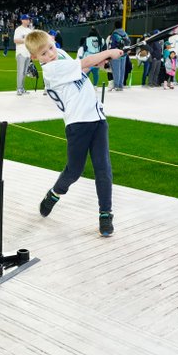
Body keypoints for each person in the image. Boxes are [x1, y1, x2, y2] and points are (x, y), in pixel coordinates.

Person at [25, 29, 122, 237]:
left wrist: (98, 64)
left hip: (98, 118)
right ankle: (54, 193)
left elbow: (81, 70)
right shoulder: (51, 69)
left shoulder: (59, 54)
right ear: (34, 57)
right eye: (43, 53)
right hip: (78, 124)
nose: (51, 54)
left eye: (51, 47)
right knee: (74, 171)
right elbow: (83, 63)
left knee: (103, 168)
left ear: (53, 42)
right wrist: (108, 53)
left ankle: (105, 214)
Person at [13, 13, 34, 94]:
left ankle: (22, 88)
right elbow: (15, 40)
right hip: (21, 53)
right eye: (26, 19)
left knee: (25, 72)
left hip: (28, 53)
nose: (28, 21)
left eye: (28, 19)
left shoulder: (29, 30)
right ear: (22, 20)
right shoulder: (18, 29)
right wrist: (26, 40)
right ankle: (18, 88)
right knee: (20, 71)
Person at [108, 21, 131, 90]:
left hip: (116, 54)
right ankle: (121, 85)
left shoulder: (114, 34)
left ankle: (117, 86)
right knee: (122, 70)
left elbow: (112, 45)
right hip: (124, 54)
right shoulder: (125, 33)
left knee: (116, 71)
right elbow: (129, 42)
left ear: (115, 26)